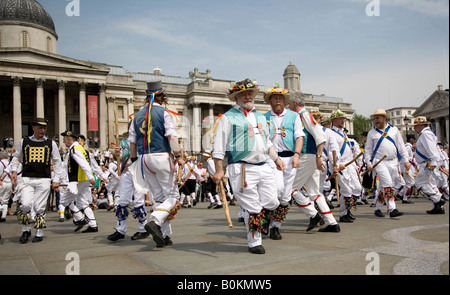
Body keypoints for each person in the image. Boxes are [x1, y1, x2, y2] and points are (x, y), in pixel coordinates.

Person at [213, 78, 284, 254]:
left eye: (249, 93)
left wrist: (276, 159)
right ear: (236, 98)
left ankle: (256, 217)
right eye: (243, 94)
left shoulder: (260, 116)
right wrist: (219, 169)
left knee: (273, 201)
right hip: (242, 168)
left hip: (264, 166)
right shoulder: (228, 117)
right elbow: (219, 146)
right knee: (253, 207)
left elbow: (267, 142)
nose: (247, 96)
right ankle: (254, 243)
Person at [128, 80, 185, 248]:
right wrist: (178, 155)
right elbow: (172, 137)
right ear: (162, 97)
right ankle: (154, 221)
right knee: (173, 197)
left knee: (159, 198)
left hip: (144, 159)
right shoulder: (165, 113)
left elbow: (132, 142)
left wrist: (133, 159)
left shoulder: (137, 116)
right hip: (161, 157)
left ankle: (164, 235)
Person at [289, 93, 340, 233]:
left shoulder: (304, 115)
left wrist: (318, 156)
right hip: (311, 156)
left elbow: (321, 135)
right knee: (314, 192)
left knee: (290, 189)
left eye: (289, 104)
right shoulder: (302, 115)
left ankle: (313, 214)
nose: (288, 106)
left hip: (307, 155)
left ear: (294, 103)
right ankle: (332, 223)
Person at [8, 118, 62, 243]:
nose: (42, 130)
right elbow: (16, 157)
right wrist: (14, 171)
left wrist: (56, 180)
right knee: (25, 204)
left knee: (39, 207)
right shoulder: (24, 141)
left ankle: (39, 232)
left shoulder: (50, 143)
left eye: (44, 128)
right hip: (27, 178)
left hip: (43, 179)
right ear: (33, 128)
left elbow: (58, 162)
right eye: (40, 127)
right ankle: (26, 230)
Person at [263, 85, 304, 240]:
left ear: (284, 100)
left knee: (286, 196)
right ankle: (266, 218)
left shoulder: (294, 116)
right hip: (271, 159)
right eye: (274, 98)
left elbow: (299, 136)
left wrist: (297, 155)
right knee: (277, 190)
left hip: (289, 158)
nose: (277, 101)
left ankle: (276, 227)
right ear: (270, 101)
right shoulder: (264, 117)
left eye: (280, 98)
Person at [364, 109, 410, 218]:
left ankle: (378, 208)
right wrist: (368, 162)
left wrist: (406, 160)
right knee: (388, 184)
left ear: (385, 118)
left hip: (394, 162)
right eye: (375, 118)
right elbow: (368, 150)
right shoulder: (372, 133)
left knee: (384, 187)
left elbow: (401, 146)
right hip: (380, 162)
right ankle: (392, 208)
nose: (376, 120)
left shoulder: (394, 130)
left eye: (378, 118)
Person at [59, 131, 97, 233]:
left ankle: (80, 219)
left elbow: (83, 163)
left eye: (65, 139)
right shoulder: (79, 148)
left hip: (77, 180)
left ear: (69, 139)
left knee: (64, 200)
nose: (63, 141)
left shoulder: (74, 149)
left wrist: (91, 177)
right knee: (83, 202)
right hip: (82, 179)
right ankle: (93, 224)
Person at [330, 110, 363, 222]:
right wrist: (337, 164)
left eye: (343, 118)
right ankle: (344, 214)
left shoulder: (343, 133)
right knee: (346, 189)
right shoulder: (331, 134)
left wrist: (354, 165)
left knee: (357, 188)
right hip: (341, 165)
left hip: (350, 165)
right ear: (334, 120)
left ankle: (347, 210)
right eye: (340, 118)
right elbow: (332, 151)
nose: (343, 120)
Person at [413, 117, 446, 214]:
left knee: (419, 184)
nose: (414, 128)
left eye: (415, 126)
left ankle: (438, 200)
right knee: (431, 185)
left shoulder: (425, 134)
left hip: (427, 163)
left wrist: (434, 162)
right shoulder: (427, 133)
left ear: (420, 125)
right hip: (428, 162)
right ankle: (438, 207)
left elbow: (432, 149)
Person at [396, 134, 416, 204]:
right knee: (409, 182)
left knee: (410, 182)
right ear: (411, 139)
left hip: (408, 166)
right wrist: (407, 169)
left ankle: (401, 194)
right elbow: (405, 158)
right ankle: (404, 197)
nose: (414, 141)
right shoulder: (407, 147)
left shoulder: (408, 147)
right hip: (407, 166)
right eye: (413, 139)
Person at [0, 150, 12, 222]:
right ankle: (3, 216)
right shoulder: (10, 163)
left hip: (1, 182)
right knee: (5, 201)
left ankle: (0, 211)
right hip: (9, 183)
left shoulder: (0, 163)